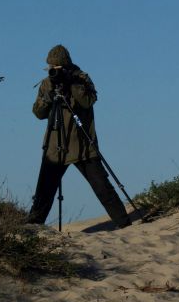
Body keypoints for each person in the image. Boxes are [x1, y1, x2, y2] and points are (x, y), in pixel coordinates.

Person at [25, 44, 131, 228]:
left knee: (102, 187)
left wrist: (71, 84)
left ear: (66, 66)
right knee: (44, 191)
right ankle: (33, 228)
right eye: (51, 68)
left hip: (82, 144)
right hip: (55, 146)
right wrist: (49, 94)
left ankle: (124, 225)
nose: (53, 71)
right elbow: (38, 113)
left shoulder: (81, 78)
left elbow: (88, 101)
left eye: (57, 68)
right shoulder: (47, 83)